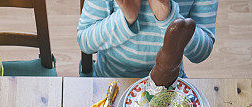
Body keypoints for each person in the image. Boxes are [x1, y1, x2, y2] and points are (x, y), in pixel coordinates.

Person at [77, 0, 217, 78]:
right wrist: (125, 18)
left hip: (169, 83)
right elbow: (85, 41)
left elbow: (201, 54)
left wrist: (169, 20)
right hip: (112, 79)